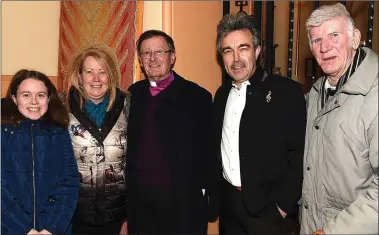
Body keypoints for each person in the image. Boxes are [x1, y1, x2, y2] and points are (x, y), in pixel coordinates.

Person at [213, 12, 306, 234]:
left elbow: (299, 155)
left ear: (256, 51)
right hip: (229, 210)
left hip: (269, 214)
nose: (236, 58)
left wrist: (283, 208)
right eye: (228, 51)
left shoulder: (286, 92)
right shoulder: (221, 95)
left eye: (243, 48)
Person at [126, 30, 216, 234]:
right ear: (140, 59)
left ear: (172, 56)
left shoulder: (198, 97)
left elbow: (210, 152)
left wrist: (211, 200)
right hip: (141, 207)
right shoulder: (132, 95)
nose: (152, 58)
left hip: (182, 207)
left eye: (159, 52)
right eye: (146, 53)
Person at [300, 3, 378, 234]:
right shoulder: (313, 95)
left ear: (355, 38)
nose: (325, 47)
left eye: (334, 35)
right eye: (316, 40)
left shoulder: (374, 95)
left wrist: (334, 231)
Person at [1, 69, 80, 235]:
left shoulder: (59, 132)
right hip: (11, 228)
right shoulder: (3, 133)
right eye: (26, 95)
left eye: (41, 95)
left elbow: (69, 182)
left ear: (49, 98)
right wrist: (25, 230)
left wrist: (52, 228)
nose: (34, 101)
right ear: (15, 98)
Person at [65, 45, 130, 235]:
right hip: (74, 216)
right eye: (89, 72)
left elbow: (137, 163)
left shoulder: (129, 106)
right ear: (79, 76)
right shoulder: (62, 109)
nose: (96, 79)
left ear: (110, 76)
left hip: (118, 218)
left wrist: (129, 216)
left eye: (102, 72)